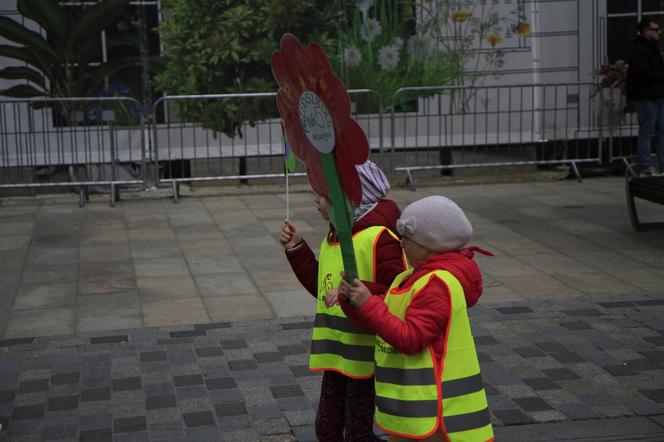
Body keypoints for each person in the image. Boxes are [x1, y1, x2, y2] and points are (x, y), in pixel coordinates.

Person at [337, 196, 494, 442]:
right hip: (418, 407)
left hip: (437, 413)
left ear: (429, 245)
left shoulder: (437, 285)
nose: (401, 243)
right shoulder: (412, 278)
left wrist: (367, 303)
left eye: (407, 238)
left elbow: (411, 339)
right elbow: (386, 312)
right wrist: (356, 297)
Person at [280, 160, 406, 442]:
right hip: (337, 352)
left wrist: (356, 292)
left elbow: (398, 290)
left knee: (357, 434)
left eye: (322, 191)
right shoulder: (335, 235)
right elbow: (322, 287)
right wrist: (297, 249)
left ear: (347, 198)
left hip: (365, 356)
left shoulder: (379, 238)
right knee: (326, 430)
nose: (315, 196)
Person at [627, 17, 664, 176]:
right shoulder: (639, 50)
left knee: (662, 131)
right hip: (646, 96)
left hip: (658, 95)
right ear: (647, 32)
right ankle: (645, 165)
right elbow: (645, 74)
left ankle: (662, 164)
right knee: (647, 131)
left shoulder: (652, 49)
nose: (659, 32)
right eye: (656, 30)